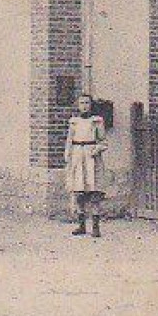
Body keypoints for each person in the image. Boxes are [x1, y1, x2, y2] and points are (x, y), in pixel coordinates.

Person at [66, 93, 108, 237]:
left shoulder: (97, 121)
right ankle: (81, 225)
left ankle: (96, 227)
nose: (84, 106)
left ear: (91, 105)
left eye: (87, 103)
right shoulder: (74, 122)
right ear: (78, 105)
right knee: (79, 191)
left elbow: (103, 142)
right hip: (78, 156)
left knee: (94, 191)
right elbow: (69, 140)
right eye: (82, 103)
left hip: (91, 158)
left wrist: (96, 150)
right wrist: (68, 155)